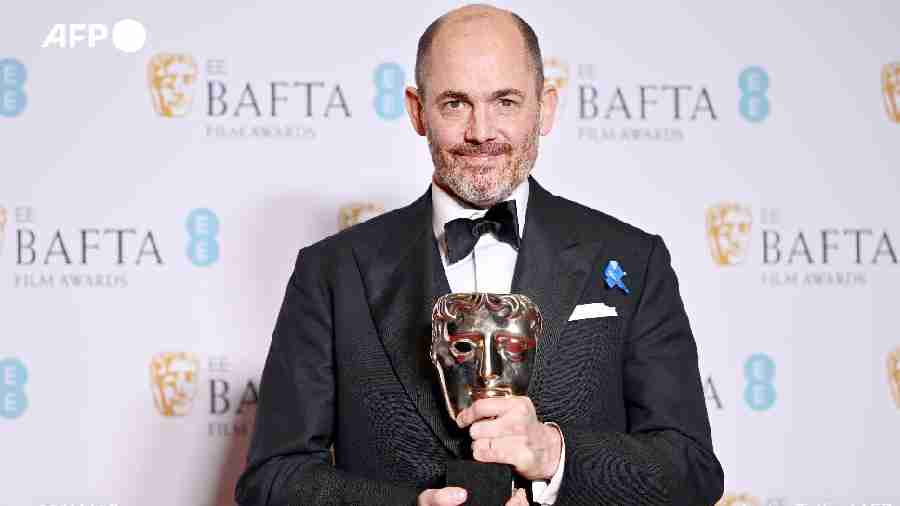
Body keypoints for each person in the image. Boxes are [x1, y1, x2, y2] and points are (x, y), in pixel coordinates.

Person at [235, 4, 724, 505]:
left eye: (506, 101)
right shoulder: (332, 272)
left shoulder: (632, 259)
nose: (481, 131)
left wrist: (556, 453)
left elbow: (692, 472)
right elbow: (273, 480)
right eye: (454, 104)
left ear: (545, 107)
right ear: (417, 111)